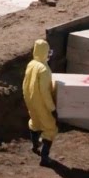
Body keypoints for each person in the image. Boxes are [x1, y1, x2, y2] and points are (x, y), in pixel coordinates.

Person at [23, 39, 57, 167]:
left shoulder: (31, 64)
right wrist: (52, 108)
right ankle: (44, 158)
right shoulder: (43, 69)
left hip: (30, 100)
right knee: (50, 128)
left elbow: (25, 83)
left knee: (35, 122)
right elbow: (45, 91)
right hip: (41, 102)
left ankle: (34, 145)